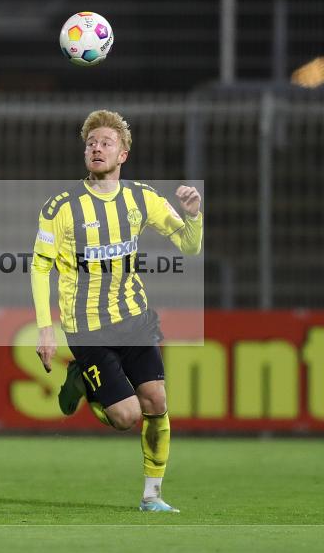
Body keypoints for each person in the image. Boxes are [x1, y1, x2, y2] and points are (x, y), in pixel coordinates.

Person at [30, 109, 203, 513]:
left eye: (106, 143)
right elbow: (40, 267)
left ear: (123, 154)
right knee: (126, 417)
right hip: (87, 327)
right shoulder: (61, 207)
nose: (96, 148)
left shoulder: (142, 199)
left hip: (135, 319)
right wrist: (45, 328)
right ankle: (85, 381)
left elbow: (189, 246)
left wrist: (193, 216)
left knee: (156, 401)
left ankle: (152, 496)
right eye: (91, 143)